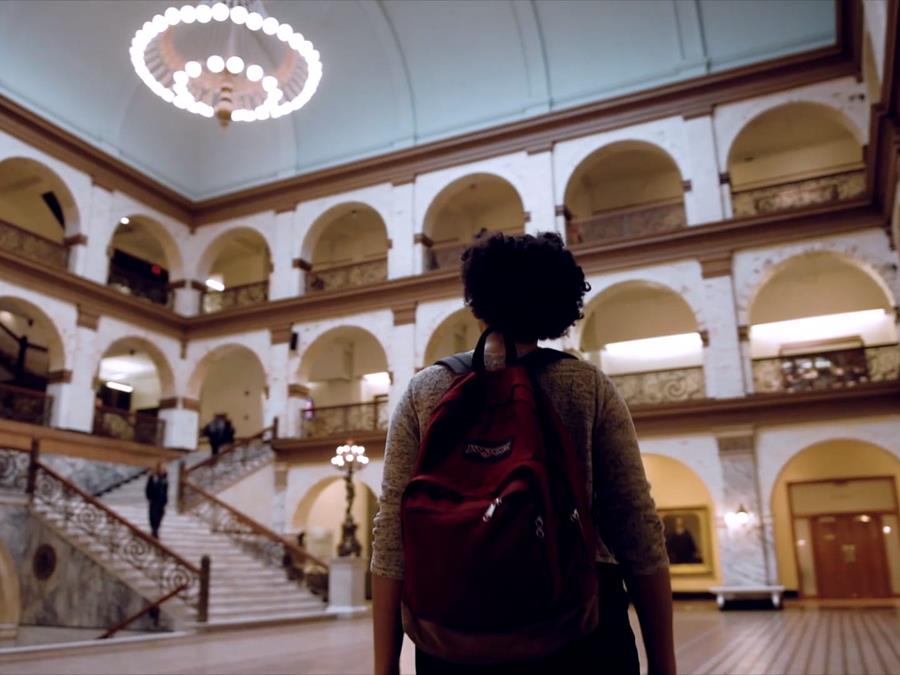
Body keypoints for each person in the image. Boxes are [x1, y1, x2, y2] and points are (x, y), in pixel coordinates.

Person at [372, 231, 676, 675]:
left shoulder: (425, 390)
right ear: (557, 307)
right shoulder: (586, 387)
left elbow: (391, 534)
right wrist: (664, 664)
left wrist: (385, 668)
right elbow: (637, 527)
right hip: (581, 632)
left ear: (476, 304)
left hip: (455, 632)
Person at [145, 462, 168, 540]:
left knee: (159, 515)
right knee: (153, 515)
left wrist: (165, 500)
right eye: (161, 469)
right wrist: (149, 497)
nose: (162, 470)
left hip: (161, 500)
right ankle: (154, 530)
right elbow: (148, 488)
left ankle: (156, 529)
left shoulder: (164, 479)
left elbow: (165, 490)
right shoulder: (153, 478)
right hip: (154, 500)